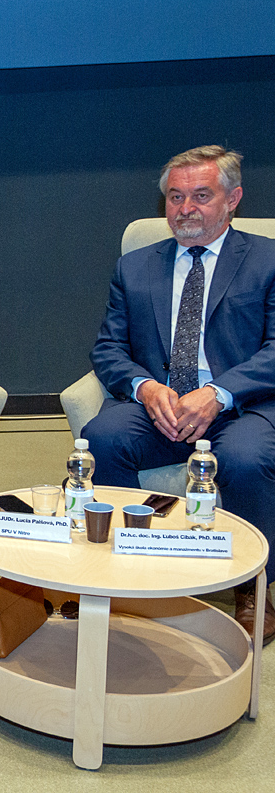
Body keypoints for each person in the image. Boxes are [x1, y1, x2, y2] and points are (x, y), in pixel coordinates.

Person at [84, 145, 275, 643]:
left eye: (201, 196)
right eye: (175, 197)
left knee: (247, 460)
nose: (185, 208)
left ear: (233, 199)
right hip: (161, 406)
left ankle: (253, 587)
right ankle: (126, 567)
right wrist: (145, 387)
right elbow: (108, 348)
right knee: (102, 437)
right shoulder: (134, 266)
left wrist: (219, 393)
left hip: (241, 407)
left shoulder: (268, 259)